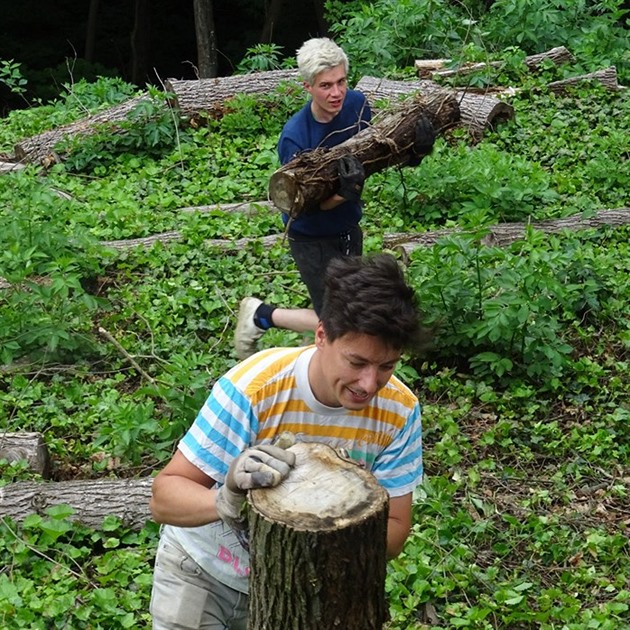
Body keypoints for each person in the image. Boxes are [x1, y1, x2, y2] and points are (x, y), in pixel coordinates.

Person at [150, 253, 427, 630]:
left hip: (300, 594)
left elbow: (395, 528)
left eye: (387, 366)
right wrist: (225, 498)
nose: (369, 384)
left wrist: (339, 534)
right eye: (357, 362)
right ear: (321, 336)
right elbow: (164, 498)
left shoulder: (399, 411)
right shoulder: (254, 388)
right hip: (202, 574)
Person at [233, 37, 372, 360]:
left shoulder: (357, 105)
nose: (336, 93)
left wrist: (413, 150)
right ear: (307, 86)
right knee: (339, 322)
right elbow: (303, 211)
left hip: (349, 228)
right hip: (311, 238)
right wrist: (341, 194)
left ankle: (264, 318)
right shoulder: (296, 138)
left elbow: (374, 151)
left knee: (348, 311)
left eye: (341, 82)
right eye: (325, 86)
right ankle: (262, 317)